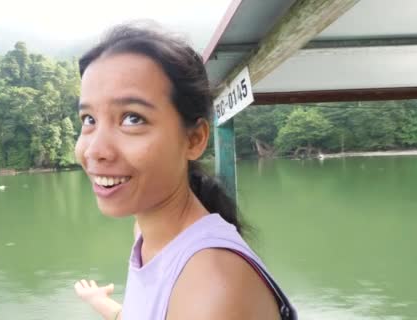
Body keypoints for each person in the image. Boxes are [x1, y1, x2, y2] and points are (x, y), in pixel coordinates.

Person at [73, 22, 296, 320]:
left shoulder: (213, 289)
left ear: (194, 139)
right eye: (89, 120)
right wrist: (103, 304)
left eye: (132, 118)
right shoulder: (149, 234)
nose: (95, 150)